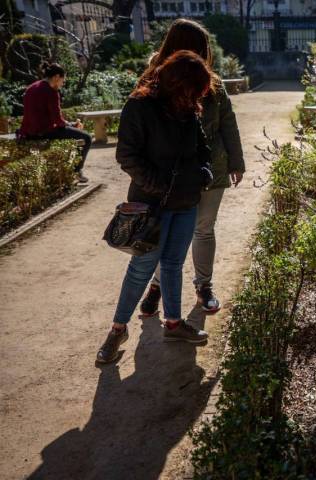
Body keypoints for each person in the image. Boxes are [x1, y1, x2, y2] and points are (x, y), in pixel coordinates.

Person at [97, 50, 216, 363]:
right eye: (195, 89)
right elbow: (127, 156)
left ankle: (173, 323)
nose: (198, 96)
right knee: (141, 269)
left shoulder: (188, 108)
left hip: (186, 202)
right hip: (152, 205)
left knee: (174, 265)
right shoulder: (140, 106)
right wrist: (161, 185)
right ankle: (117, 329)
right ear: (178, 83)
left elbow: (203, 148)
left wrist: (204, 173)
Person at [136, 19, 245, 317]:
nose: (207, 54)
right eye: (203, 47)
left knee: (203, 229)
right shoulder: (154, 82)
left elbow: (228, 124)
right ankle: (157, 287)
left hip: (211, 171)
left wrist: (237, 162)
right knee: (168, 233)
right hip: (169, 176)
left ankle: (203, 286)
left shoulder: (213, 83)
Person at [18, 61, 92, 183]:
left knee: (73, 132)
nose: (62, 84)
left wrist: (67, 124)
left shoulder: (31, 87)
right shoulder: (51, 91)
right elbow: (58, 121)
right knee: (87, 138)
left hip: (27, 132)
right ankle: (76, 171)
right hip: (43, 131)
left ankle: (72, 170)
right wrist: (72, 125)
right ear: (56, 77)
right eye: (63, 81)